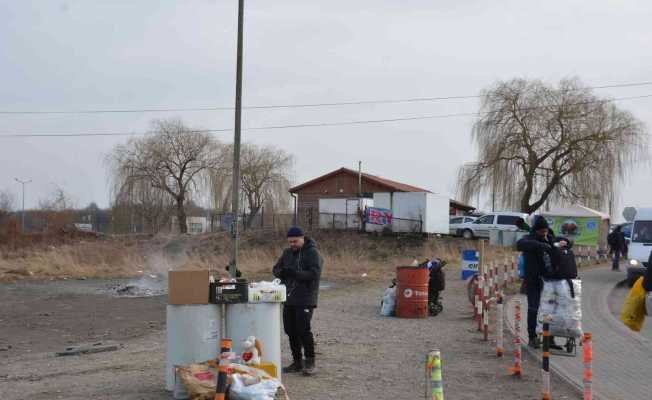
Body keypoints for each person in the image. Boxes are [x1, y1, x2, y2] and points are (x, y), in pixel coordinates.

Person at [272, 226, 323, 377]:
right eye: (290, 242)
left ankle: (310, 363)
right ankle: (297, 362)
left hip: (306, 297)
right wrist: (282, 273)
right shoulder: (287, 253)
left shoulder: (313, 253)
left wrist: (295, 274)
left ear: (302, 238)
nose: (292, 244)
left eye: (295, 241)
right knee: (290, 330)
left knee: (303, 330)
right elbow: (276, 268)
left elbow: (314, 274)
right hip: (288, 297)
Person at [517, 216, 570, 349]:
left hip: (549, 281)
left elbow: (566, 243)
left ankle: (549, 338)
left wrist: (564, 243)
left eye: (546, 231)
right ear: (536, 230)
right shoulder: (529, 240)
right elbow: (520, 244)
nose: (544, 233)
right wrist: (541, 245)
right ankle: (532, 337)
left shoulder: (550, 238)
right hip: (533, 280)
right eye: (541, 231)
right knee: (533, 309)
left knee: (549, 310)